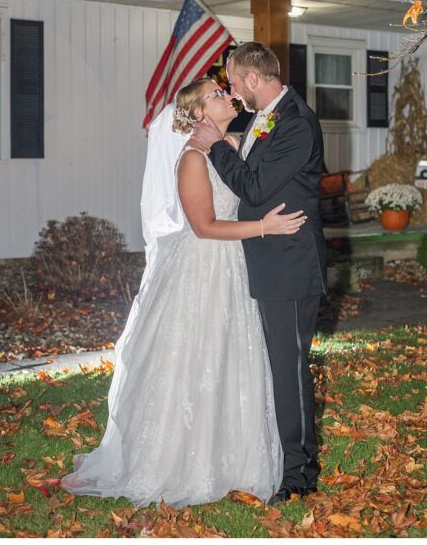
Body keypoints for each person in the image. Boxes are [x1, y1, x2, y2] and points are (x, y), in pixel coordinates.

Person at [62, 78, 306, 507]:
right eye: (216, 94)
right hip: (203, 269)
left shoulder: (229, 143)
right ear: (197, 114)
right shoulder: (192, 158)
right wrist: (267, 227)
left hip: (234, 268)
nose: (227, 96)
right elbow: (204, 227)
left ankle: (236, 460)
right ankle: (178, 464)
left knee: (233, 360)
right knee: (196, 360)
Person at [191, 42, 327, 505]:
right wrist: (225, 140)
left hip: (288, 263)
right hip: (261, 260)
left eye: (232, 82)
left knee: (289, 371)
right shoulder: (265, 116)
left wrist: (213, 147)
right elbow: (249, 163)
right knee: (271, 368)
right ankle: (275, 457)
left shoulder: (295, 123)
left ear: (252, 80)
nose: (231, 91)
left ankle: (299, 476)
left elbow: (253, 185)